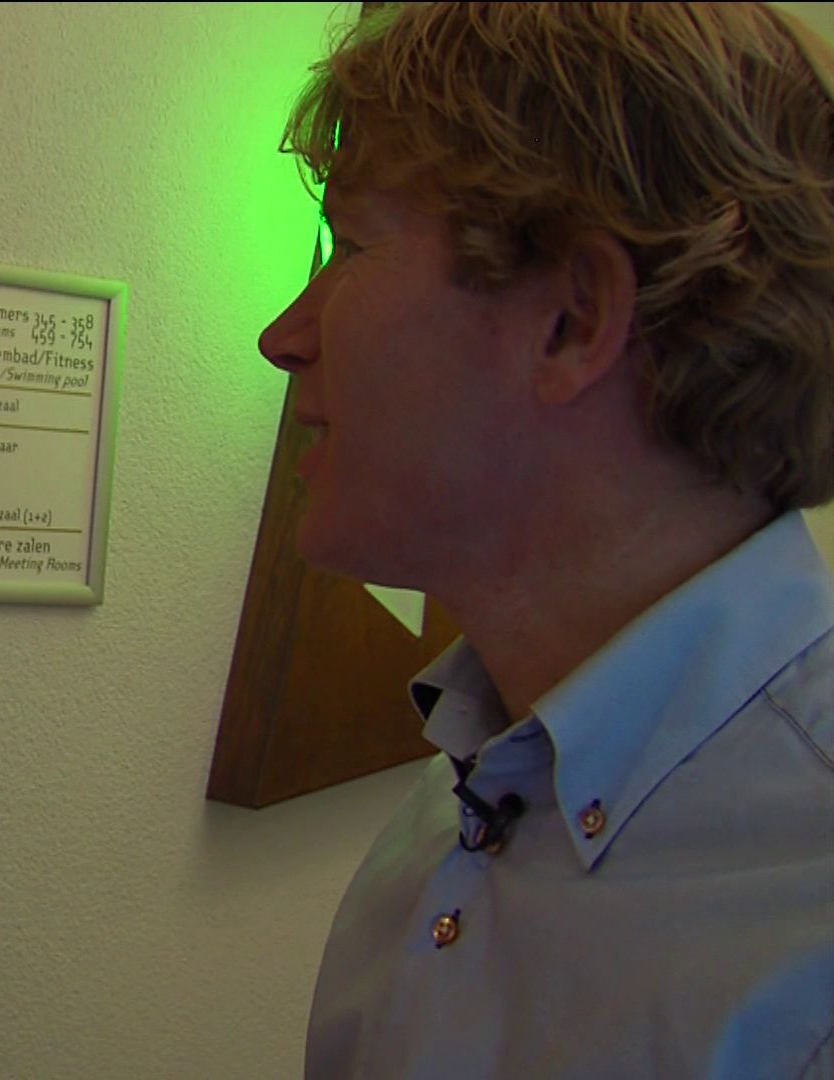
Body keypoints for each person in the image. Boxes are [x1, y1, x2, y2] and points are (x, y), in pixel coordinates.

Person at [258, 4, 834, 1077]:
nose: (284, 336)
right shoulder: (459, 812)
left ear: (572, 319)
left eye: (355, 247)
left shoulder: (806, 921)